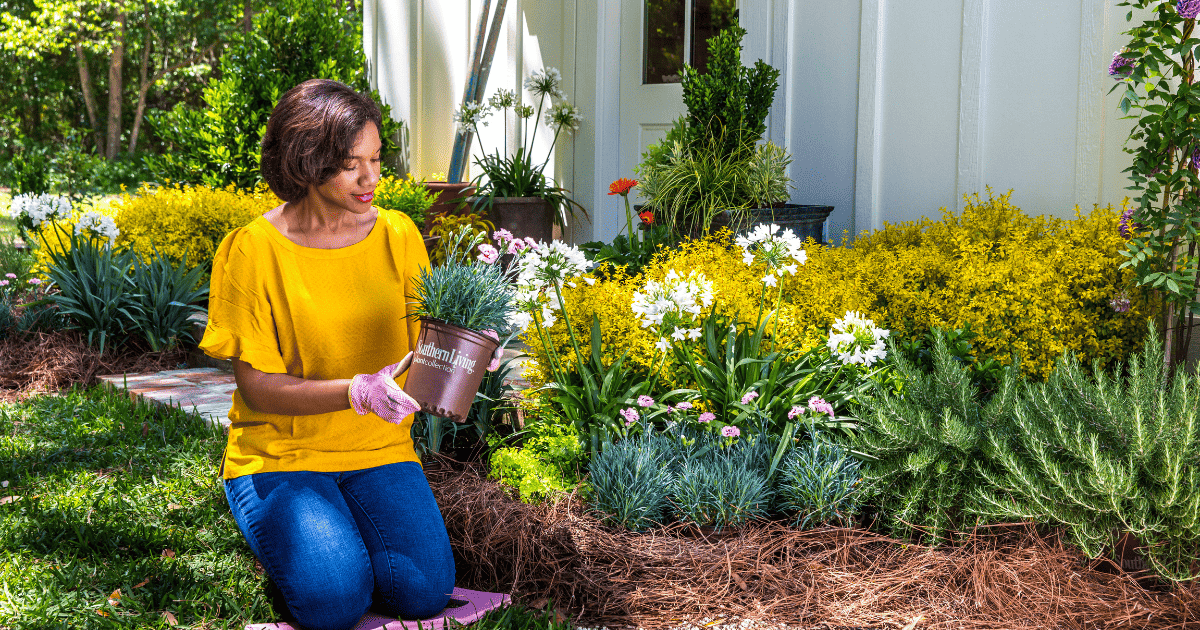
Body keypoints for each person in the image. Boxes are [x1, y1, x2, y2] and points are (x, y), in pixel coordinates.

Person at [199, 79, 454, 630]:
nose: (372, 179)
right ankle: (280, 517)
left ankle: (343, 527)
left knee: (424, 593)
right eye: (349, 165)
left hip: (378, 447)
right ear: (305, 162)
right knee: (335, 603)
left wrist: (463, 348)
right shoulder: (254, 250)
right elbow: (256, 386)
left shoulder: (398, 235)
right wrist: (354, 390)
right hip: (283, 455)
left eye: (377, 159)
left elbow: (422, 348)